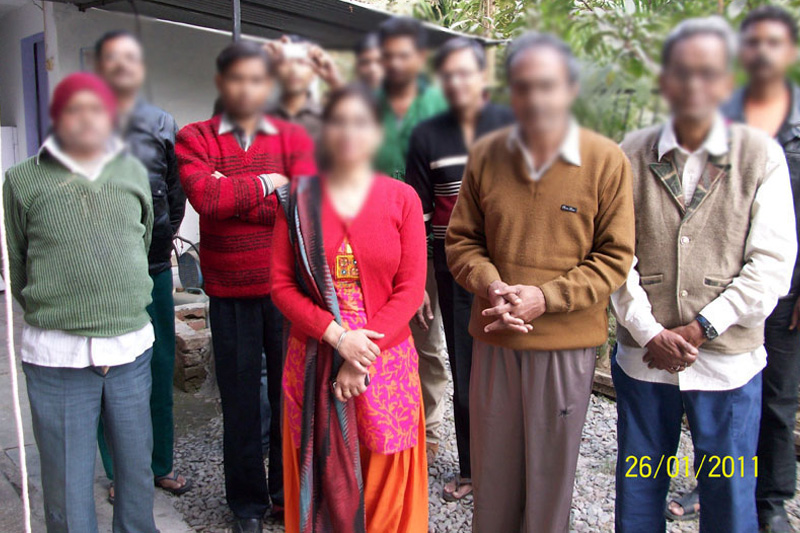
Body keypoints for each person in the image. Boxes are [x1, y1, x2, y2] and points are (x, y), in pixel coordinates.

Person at [611, 17, 796, 533]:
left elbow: (772, 263)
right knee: (641, 484)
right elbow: (614, 255)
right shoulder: (631, 153)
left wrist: (699, 328)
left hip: (727, 366)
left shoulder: (760, 155)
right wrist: (649, 331)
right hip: (645, 361)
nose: (694, 84)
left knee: (728, 493)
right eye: (682, 71)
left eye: (709, 72)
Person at [446, 32, 635, 533]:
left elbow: (615, 257)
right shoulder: (486, 155)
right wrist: (491, 284)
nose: (534, 98)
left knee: (550, 480)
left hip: (564, 345)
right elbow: (461, 241)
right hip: (495, 336)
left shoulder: (605, 160)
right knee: (493, 477)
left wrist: (545, 298)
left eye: (546, 85)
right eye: (522, 86)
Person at [271, 84, 428, 533]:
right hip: (315, 354)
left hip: (386, 359)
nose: (349, 133)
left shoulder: (402, 198)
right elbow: (280, 286)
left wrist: (360, 359)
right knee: (321, 475)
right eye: (338, 122)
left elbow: (410, 289)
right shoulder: (297, 201)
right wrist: (339, 339)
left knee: (386, 480)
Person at [4, 72, 157, 532]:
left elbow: (144, 241)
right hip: (58, 357)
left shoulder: (132, 171)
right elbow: (16, 263)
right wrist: (61, 305)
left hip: (130, 350)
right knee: (67, 491)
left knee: (137, 476)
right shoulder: (22, 180)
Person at [176, 41, 316, 533]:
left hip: (285, 290)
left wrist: (235, 192)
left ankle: (284, 494)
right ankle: (247, 506)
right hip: (229, 291)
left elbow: (301, 206)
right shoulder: (195, 137)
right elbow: (206, 200)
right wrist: (269, 184)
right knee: (239, 403)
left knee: (288, 396)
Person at [405, 36, 514, 501]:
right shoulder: (426, 135)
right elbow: (419, 217)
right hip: (454, 272)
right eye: (447, 75)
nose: (456, 82)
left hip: (513, 269)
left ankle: (512, 467)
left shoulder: (512, 125)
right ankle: (471, 469)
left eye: (465, 72)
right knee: (467, 373)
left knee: (514, 370)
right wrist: (421, 281)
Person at [93, 29, 190, 504]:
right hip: (104, 275)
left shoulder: (162, 123)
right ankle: (119, 471)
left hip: (153, 268)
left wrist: (163, 240)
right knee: (110, 370)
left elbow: (175, 193)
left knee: (160, 364)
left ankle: (160, 464)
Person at [720, 9, 800, 533]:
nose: (762, 52)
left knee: (776, 399)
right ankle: (713, 485)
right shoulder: (718, 118)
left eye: (774, 42)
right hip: (719, 286)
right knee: (719, 393)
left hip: (785, 289)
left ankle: (770, 503)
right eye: (752, 43)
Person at [374, 16, 448, 180]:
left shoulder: (441, 106)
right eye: (388, 56)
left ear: (421, 56)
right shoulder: (367, 104)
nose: (395, 64)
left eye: (403, 56)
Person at [264, 35, 342, 145]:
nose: (294, 70)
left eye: (302, 62)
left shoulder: (327, 119)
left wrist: (335, 80)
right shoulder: (258, 117)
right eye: (285, 62)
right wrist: (259, 58)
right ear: (274, 69)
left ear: (315, 71)